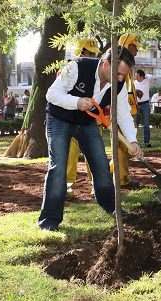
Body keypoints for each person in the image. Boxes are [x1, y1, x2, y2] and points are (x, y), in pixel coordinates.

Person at [38, 47, 142, 232]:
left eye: (123, 75)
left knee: (101, 164)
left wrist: (132, 141)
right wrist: (76, 103)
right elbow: (52, 94)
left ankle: (110, 206)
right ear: (106, 64)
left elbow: (124, 115)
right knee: (59, 167)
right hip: (59, 120)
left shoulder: (119, 83)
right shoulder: (77, 66)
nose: (120, 79)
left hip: (87, 123)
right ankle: (49, 220)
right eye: (118, 74)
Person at [66, 38, 102, 200]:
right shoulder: (68, 70)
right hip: (71, 120)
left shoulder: (99, 74)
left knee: (95, 155)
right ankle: (66, 187)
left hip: (93, 121)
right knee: (69, 155)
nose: (93, 56)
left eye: (94, 53)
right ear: (80, 53)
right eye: (89, 52)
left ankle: (97, 186)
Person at [117, 33, 143, 189]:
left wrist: (135, 93)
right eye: (135, 46)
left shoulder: (128, 67)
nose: (137, 50)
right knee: (122, 146)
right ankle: (121, 179)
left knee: (125, 147)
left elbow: (126, 89)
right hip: (121, 113)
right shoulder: (121, 65)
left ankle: (121, 176)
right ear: (127, 46)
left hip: (127, 111)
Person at [134, 69, 154, 147]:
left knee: (146, 124)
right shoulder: (134, 83)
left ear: (141, 76)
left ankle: (147, 142)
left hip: (145, 105)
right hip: (136, 105)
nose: (135, 76)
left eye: (137, 75)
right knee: (135, 124)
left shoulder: (147, 81)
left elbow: (152, 77)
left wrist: (145, 75)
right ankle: (134, 142)